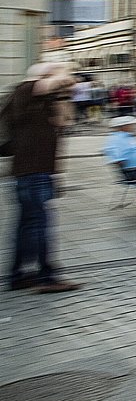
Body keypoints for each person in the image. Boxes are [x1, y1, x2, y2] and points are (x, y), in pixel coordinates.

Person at [1, 62, 82, 292]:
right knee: (39, 224)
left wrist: (61, 99)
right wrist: (61, 70)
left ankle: (17, 276)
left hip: (33, 173)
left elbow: (66, 118)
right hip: (32, 173)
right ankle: (48, 277)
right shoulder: (26, 90)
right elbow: (64, 82)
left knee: (26, 225)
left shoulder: (39, 103)